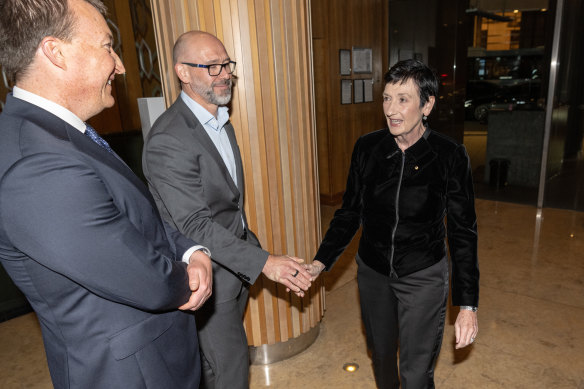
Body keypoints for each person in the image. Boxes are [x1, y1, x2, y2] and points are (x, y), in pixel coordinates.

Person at [0, 1, 212, 388]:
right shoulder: (37, 165)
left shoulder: (60, 133)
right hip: (131, 373)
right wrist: (191, 278)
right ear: (55, 52)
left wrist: (189, 250)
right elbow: (143, 278)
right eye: (107, 46)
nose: (121, 64)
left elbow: (134, 215)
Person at [142, 30, 313, 389]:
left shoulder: (220, 120)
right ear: (183, 73)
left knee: (214, 368)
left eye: (226, 64)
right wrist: (266, 262)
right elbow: (193, 224)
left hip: (234, 269)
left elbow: (229, 203)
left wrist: (252, 252)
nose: (224, 74)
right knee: (231, 369)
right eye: (211, 66)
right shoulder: (168, 139)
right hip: (206, 276)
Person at [307, 59, 480, 389]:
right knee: (382, 357)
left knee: (415, 373)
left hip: (423, 275)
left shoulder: (449, 155)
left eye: (403, 99)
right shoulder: (368, 147)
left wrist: (467, 305)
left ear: (427, 104)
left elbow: (463, 232)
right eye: (387, 98)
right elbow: (349, 212)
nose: (391, 109)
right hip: (373, 272)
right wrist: (321, 261)